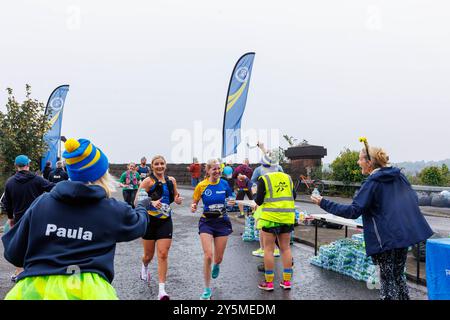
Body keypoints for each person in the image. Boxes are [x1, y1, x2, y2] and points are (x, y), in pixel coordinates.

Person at [1, 138, 150, 300]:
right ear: (102, 173)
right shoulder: (112, 209)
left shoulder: (42, 203)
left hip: (36, 289)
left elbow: (14, 252)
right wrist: (142, 204)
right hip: (89, 291)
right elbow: (139, 224)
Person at [311, 137, 433, 300]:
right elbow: (413, 200)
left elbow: (353, 211)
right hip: (403, 236)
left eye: (360, 159)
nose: (357, 162)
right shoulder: (400, 177)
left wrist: (323, 202)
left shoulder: (372, 182)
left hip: (385, 239)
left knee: (387, 282)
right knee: (398, 277)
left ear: (369, 162)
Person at [1, 154, 55, 282]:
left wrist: (10, 218)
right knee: (37, 243)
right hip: (37, 217)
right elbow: (53, 188)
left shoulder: (10, 182)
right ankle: (35, 271)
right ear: (28, 165)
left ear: (16, 166)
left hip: (19, 218)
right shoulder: (37, 180)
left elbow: (6, 203)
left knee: (20, 243)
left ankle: (19, 271)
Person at [137, 155, 183, 300]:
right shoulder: (148, 181)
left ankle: (162, 290)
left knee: (163, 254)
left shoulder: (171, 181)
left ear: (165, 165)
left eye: (162, 163)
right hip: (150, 222)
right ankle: (144, 266)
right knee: (148, 256)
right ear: (152, 166)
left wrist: (177, 199)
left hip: (165, 221)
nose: (159, 166)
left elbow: (175, 197)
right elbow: (136, 200)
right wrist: (151, 203)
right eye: (156, 164)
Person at [191, 159, 235, 300]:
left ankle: (217, 264)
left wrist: (232, 201)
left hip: (222, 223)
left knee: (218, 258)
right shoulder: (201, 186)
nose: (217, 171)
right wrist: (193, 206)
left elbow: (231, 197)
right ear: (208, 171)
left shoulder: (224, 184)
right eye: (214, 169)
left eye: (218, 169)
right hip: (206, 223)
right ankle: (206, 289)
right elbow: (195, 202)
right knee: (208, 255)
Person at [253, 155, 296, 291]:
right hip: (287, 218)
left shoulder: (264, 179)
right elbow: (293, 196)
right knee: (286, 249)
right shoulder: (287, 178)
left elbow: (259, 201)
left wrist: (254, 193)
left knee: (268, 250)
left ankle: (269, 283)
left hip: (270, 218)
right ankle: (287, 282)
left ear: (263, 167)